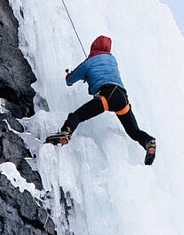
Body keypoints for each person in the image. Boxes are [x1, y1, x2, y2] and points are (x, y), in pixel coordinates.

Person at [46, 37, 156, 165]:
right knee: (133, 131)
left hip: (107, 95)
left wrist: (70, 76)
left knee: (77, 116)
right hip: (122, 97)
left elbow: (70, 80)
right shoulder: (112, 60)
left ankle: (65, 133)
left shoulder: (89, 62)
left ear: (93, 47)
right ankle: (149, 142)